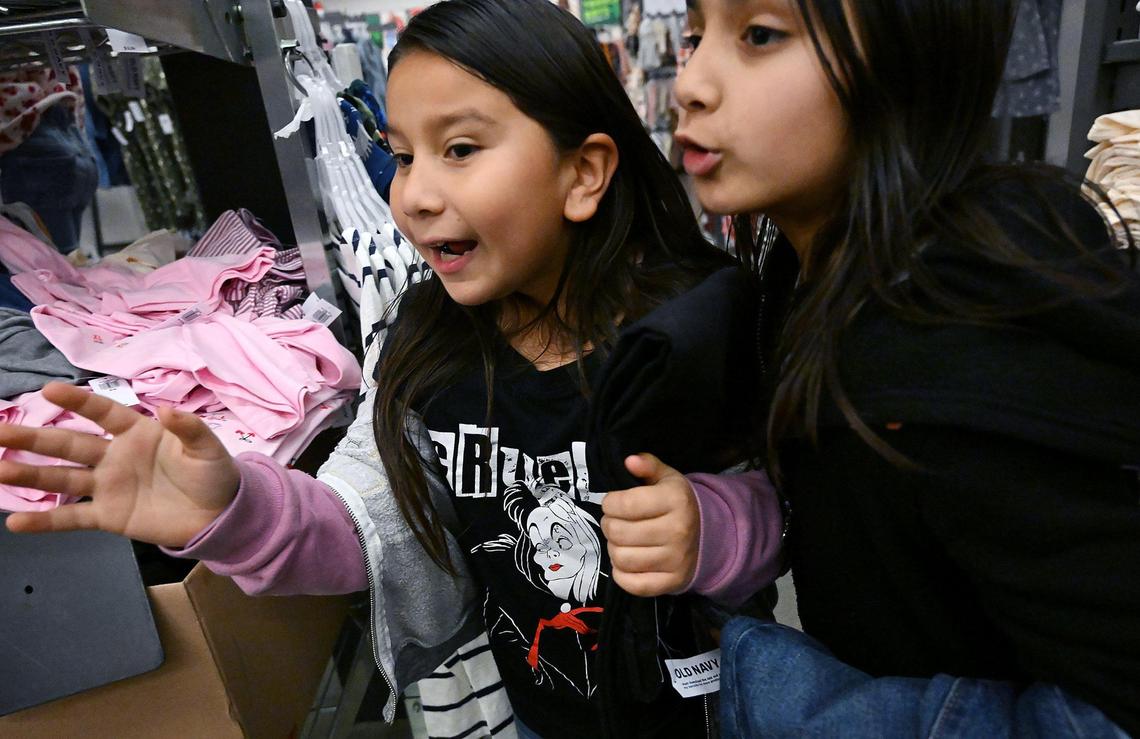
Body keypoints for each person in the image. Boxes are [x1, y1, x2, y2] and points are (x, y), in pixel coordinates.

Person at [0, 0, 783, 736]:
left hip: (724, 712)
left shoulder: (690, 328)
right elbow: (367, 523)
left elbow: (789, 507)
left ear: (583, 173)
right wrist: (234, 506)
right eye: (402, 156)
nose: (413, 194)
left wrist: (710, 528)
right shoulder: (427, 348)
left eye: (461, 150)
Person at [670, 0, 1140, 735]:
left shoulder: (954, 340)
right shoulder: (817, 276)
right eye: (695, 35)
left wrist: (790, 697)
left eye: (759, 36)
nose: (690, 82)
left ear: (908, 56)